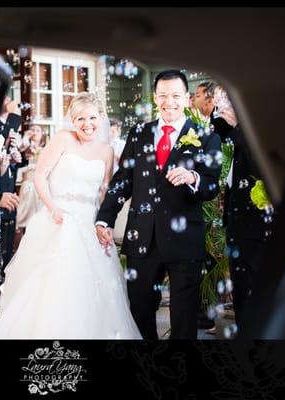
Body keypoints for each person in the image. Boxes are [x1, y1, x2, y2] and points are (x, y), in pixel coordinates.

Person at [0, 92, 141, 339]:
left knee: (92, 287)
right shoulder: (62, 140)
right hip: (59, 219)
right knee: (54, 282)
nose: (87, 124)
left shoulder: (106, 152)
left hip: (89, 223)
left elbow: (105, 192)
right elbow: (39, 176)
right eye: (80, 119)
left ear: (101, 118)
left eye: (92, 118)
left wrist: (104, 224)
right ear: (72, 120)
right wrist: (52, 208)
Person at [96, 70, 222, 340]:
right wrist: (104, 218)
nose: (169, 102)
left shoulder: (206, 137)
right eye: (163, 95)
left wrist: (193, 177)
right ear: (155, 97)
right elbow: (123, 180)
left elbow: (212, 186)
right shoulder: (139, 133)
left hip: (184, 240)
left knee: (184, 318)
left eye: (176, 95)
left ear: (187, 99)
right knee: (140, 312)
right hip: (142, 237)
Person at [214, 84, 273, 334]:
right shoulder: (239, 128)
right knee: (240, 288)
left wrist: (240, 124)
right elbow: (216, 131)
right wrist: (221, 111)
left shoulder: (264, 128)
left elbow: (261, 168)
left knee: (255, 288)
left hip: (257, 225)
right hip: (237, 224)